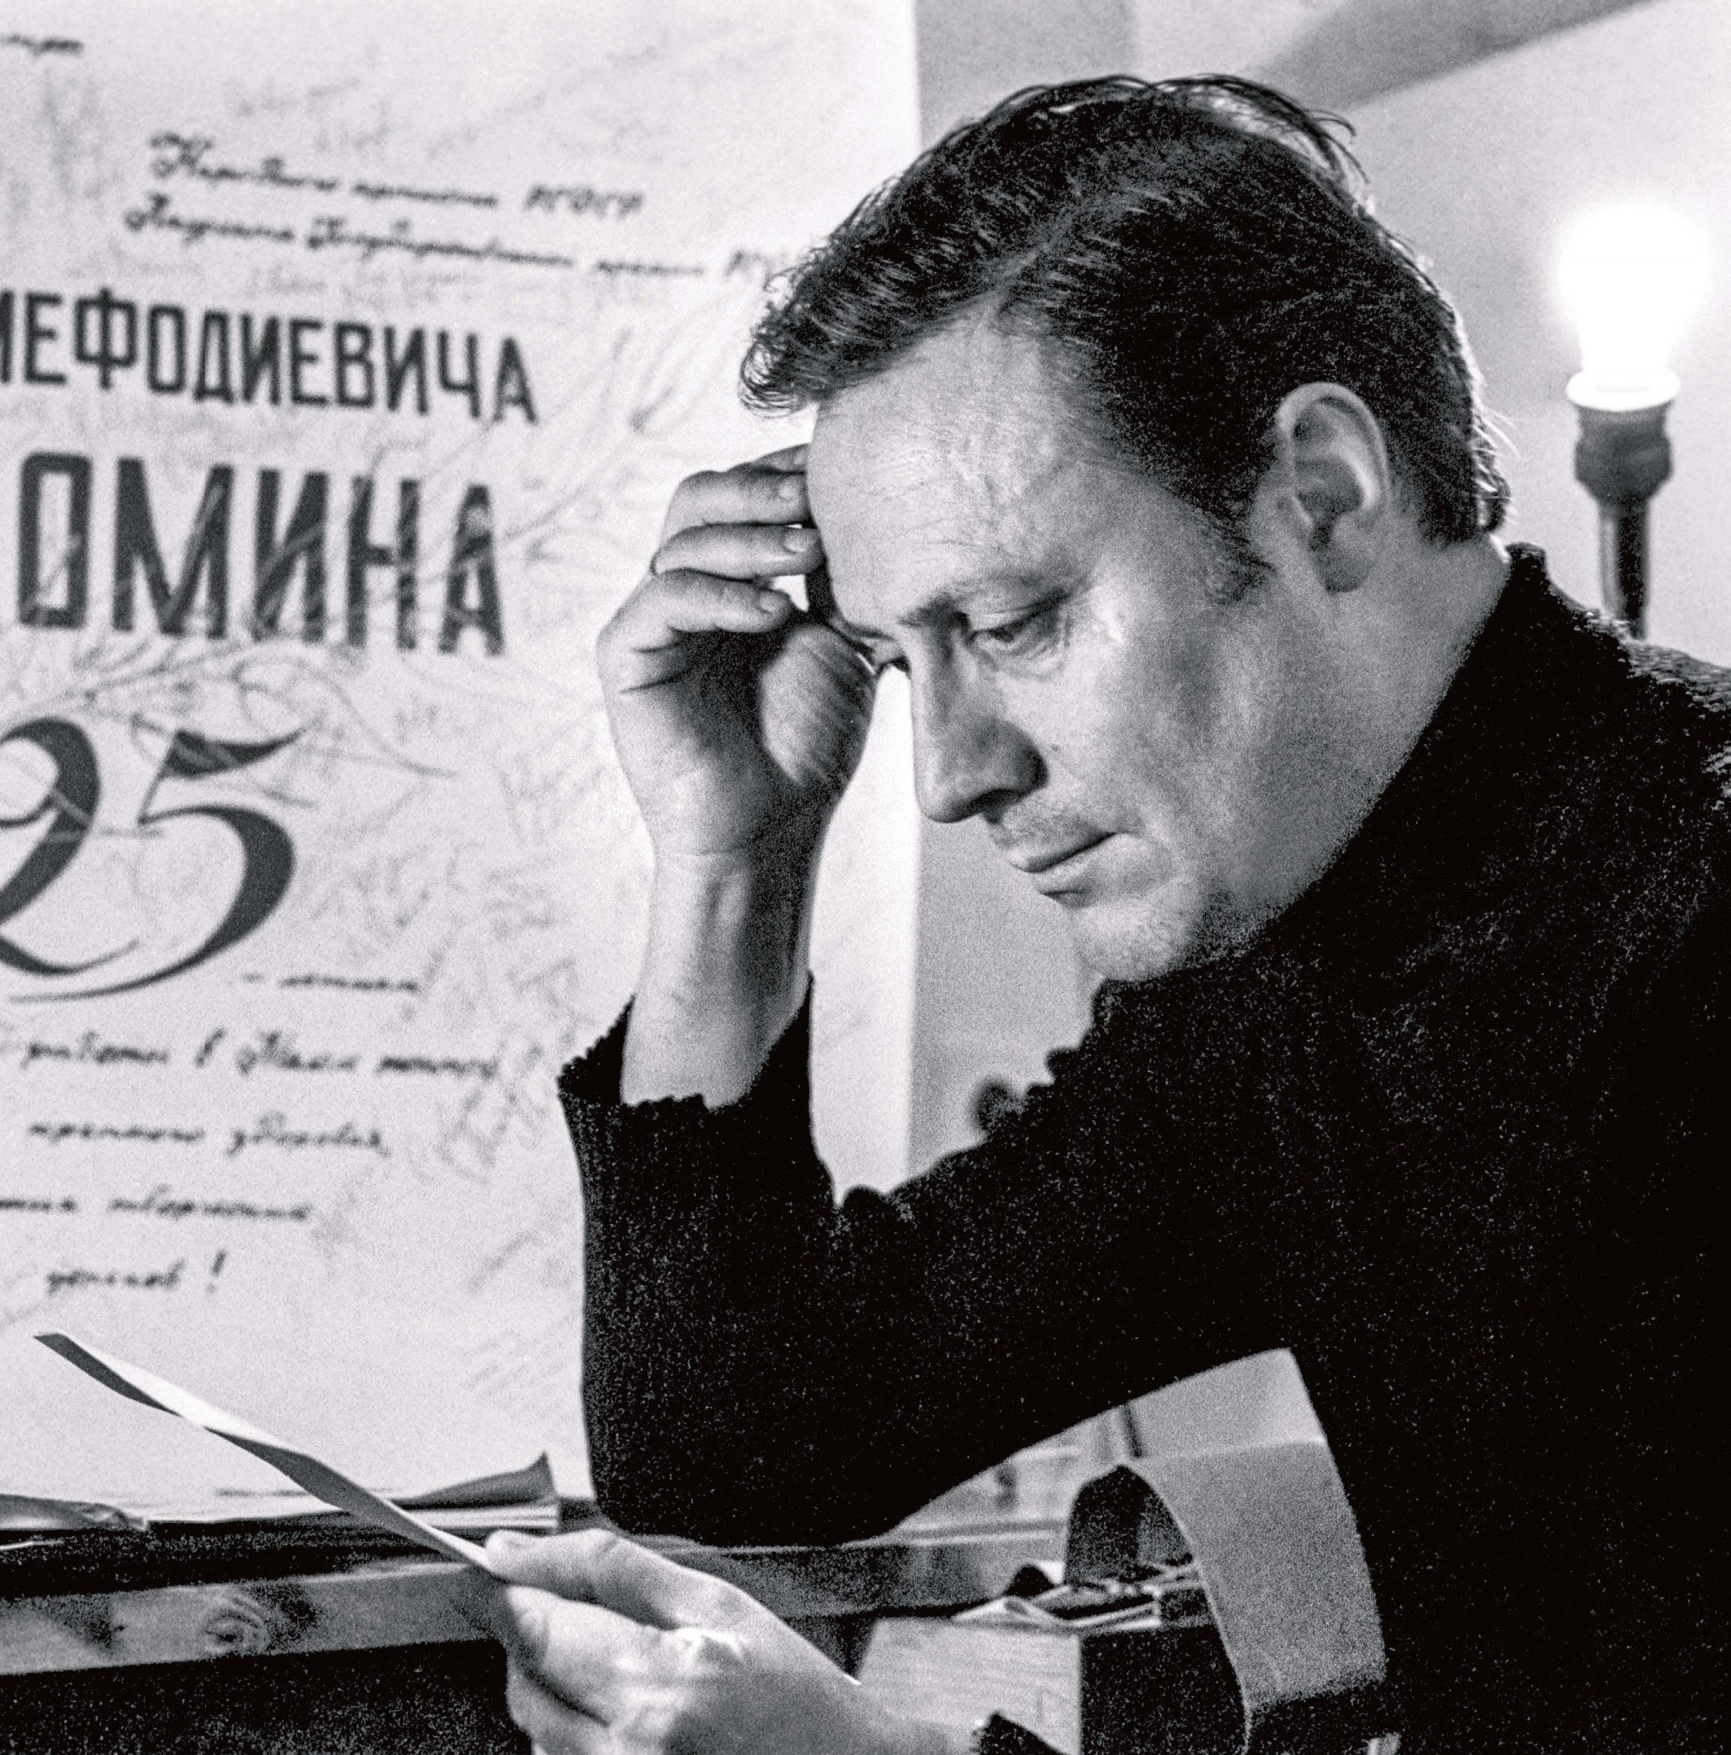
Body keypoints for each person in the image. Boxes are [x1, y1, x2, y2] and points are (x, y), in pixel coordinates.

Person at [459, 77, 1719, 1754]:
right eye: (901, 661)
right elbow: (743, 1445)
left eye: (1014, 622)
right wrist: (737, 860)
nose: (950, 774)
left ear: (1323, 493)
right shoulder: (1277, 969)